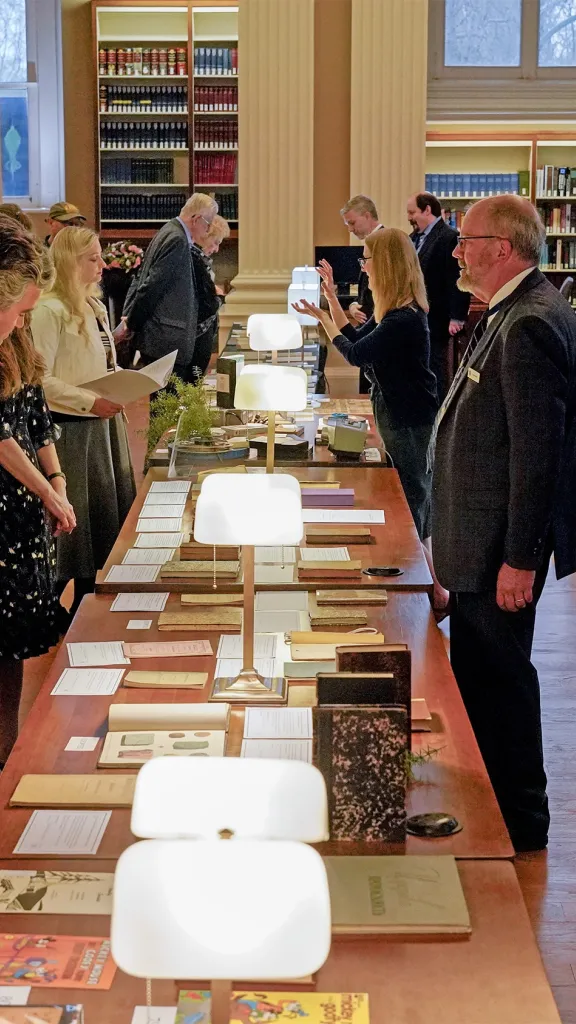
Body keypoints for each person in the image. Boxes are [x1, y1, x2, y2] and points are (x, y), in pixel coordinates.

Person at [431, 194, 576, 854]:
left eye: (469, 240)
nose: (457, 250)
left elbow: (536, 454)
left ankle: (520, 824)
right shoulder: (509, 310)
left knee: (502, 686)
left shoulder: (529, 323)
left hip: (499, 553)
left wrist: (521, 556)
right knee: (482, 686)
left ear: (506, 247)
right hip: (477, 545)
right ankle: (491, 812)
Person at [294, 229, 438, 541]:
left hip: (409, 415)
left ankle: (428, 574)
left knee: (411, 489)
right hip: (394, 407)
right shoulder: (392, 312)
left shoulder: (403, 318)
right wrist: (331, 299)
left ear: (385, 264)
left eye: (366, 259)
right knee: (405, 484)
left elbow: (355, 354)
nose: (363, 266)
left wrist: (323, 318)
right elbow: (357, 337)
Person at [0, 216, 76, 764]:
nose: (24, 320)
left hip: (23, 508)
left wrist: (56, 479)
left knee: (10, 658)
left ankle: (6, 754)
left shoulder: (14, 337)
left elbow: (33, 416)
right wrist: (47, 491)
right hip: (7, 507)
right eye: (20, 310)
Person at [30, 227, 135, 616]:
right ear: (69, 263)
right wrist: (90, 401)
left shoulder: (92, 305)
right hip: (70, 430)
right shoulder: (48, 310)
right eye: (93, 259)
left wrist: (124, 381)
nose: (102, 266)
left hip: (101, 425)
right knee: (76, 523)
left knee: (103, 516)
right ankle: (54, 610)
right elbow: (38, 379)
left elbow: (102, 362)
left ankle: (90, 605)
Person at [115, 193, 218, 378]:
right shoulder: (177, 239)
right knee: (165, 403)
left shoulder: (168, 230)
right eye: (208, 224)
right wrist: (132, 323)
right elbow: (152, 286)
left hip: (160, 337)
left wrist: (130, 317)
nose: (208, 230)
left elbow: (141, 279)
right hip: (166, 339)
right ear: (196, 219)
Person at [407, 191, 470, 402]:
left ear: (427, 210)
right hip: (416, 318)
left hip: (437, 318)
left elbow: (457, 278)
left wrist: (457, 316)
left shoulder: (449, 236)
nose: (409, 218)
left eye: (412, 212)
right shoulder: (413, 238)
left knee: (436, 369)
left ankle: (440, 415)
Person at [340, 195, 385, 394]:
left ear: (367, 216)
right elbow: (365, 290)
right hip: (368, 323)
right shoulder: (372, 242)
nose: (350, 228)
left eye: (352, 222)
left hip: (380, 326)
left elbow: (387, 287)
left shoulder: (385, 243)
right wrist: (353, 306)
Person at [186, 214, 230, 382]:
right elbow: (204, 302)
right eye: (216, 242)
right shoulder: (194, 260)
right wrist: (218, 297)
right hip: (195, 339)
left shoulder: (200, 260)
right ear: (206, 234)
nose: (217, 249)